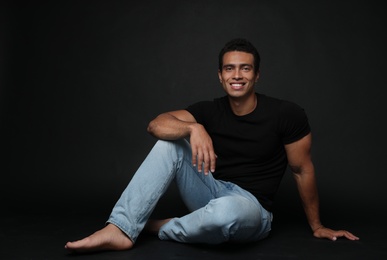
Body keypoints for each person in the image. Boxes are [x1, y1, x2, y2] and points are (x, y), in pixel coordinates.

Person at [65, 38, 359, 253]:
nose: (237, 75)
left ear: (256, 75)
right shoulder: (207, 111)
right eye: (230, 69)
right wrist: (193, 128)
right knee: (170, 144)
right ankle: (121, 228)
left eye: (245, 69)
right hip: (210, 192)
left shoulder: (286, 114)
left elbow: (301, 169)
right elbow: (155, 125)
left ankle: (159, 227)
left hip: (251, 209)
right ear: (220, 76)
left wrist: (317, 226)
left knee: (226, 213)